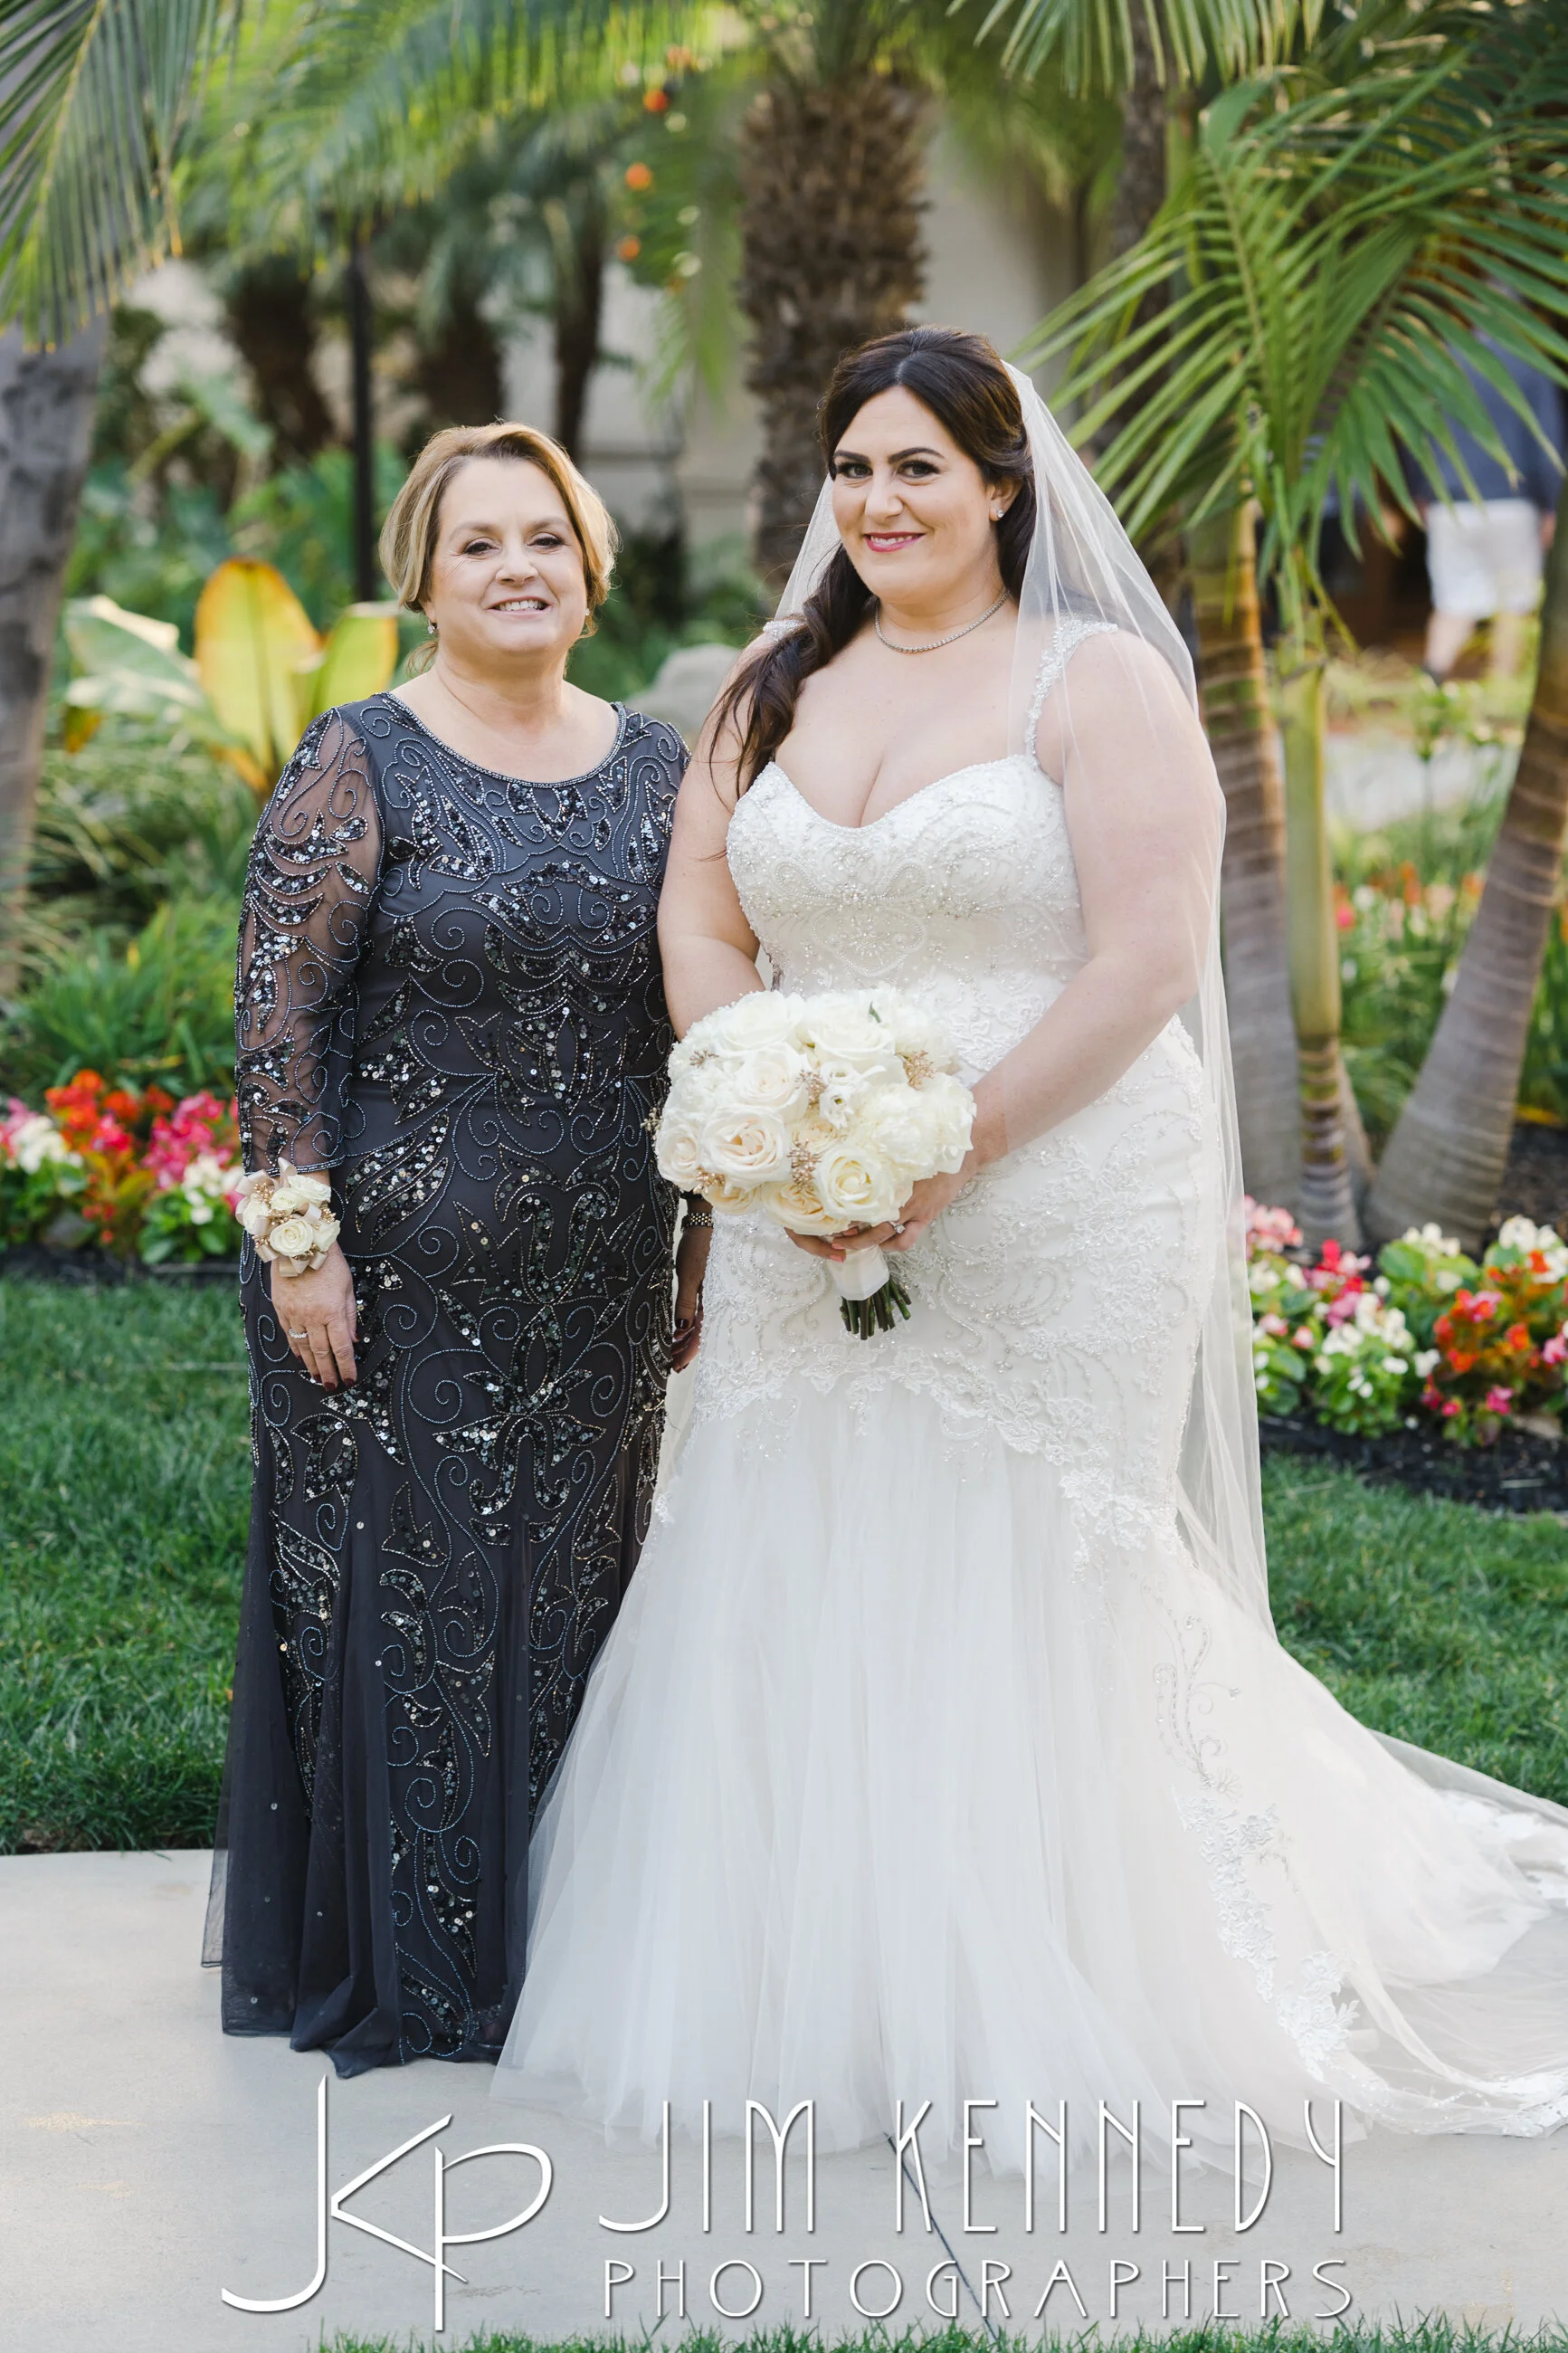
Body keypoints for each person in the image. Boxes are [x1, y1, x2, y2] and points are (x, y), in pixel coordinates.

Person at [489, 328, 1568, 2167]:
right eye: (851, 468)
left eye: (916, 466)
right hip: (793, 1192)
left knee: (1023, 1545)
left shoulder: (1095, 683)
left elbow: (1142, 961)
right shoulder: (768, 682)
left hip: (1057, 1179)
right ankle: (817, 1972)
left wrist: (946, 1146)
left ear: (1000, 486)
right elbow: (702, 917)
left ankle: (1062, 1959)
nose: (876, 501)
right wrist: (768, 1107)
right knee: (793, 1522)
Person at [203, 421, 708, 2075]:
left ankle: (546, 1964)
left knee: (568, 1604)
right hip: (388, 1279)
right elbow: (277, 1019)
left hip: (603, 1276)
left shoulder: (657, 769)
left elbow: (695, 1017)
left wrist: (699, 1241)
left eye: (545, 538)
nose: (516, 569)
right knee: (410, 1611)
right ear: (422, 574)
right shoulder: (361, 757)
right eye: (478, 542)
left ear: (591, 567)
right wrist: (300, 1246)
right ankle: (411, 1975)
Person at [1417, 334, 1564, 682]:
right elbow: (1548, 439)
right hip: (1513, 503)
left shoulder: (1441, 360)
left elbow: (1417, 433)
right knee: (1514, 604)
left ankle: (1431, 682)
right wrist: (1553, 504)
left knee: (1452, 601)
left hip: (1450, 503)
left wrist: (1422, 491)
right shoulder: (1528, 362)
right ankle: (1502, 688)